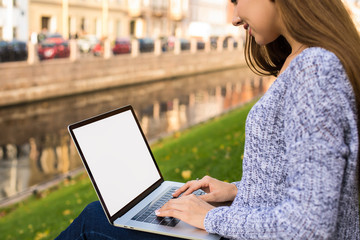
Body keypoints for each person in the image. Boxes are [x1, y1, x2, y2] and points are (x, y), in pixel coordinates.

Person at [56, 0, 360, 239]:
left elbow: (310, 225)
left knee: (93, 221)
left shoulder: (315, 68)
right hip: (247, 221)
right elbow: (309, 182)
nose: (234, 17)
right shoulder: (307, 60)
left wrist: (208, 217)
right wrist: (238, 191)